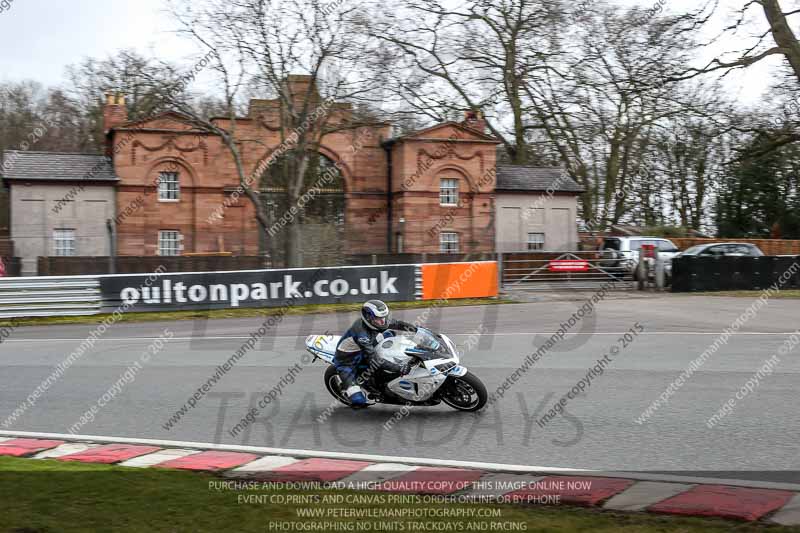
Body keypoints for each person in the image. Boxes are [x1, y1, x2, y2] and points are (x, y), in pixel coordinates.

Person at [334, 300, 418, 405]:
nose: (382, 322)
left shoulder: (376, 322)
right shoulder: (361, 334)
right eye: (379, 319)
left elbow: (397, 324)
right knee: (358, 401)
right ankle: (349, 388)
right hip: (348, 361)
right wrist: (399, 368)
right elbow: (375, 360)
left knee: (390, 333)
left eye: (384, 318)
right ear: (368, 318)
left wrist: (416, 329)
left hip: (364, 348)